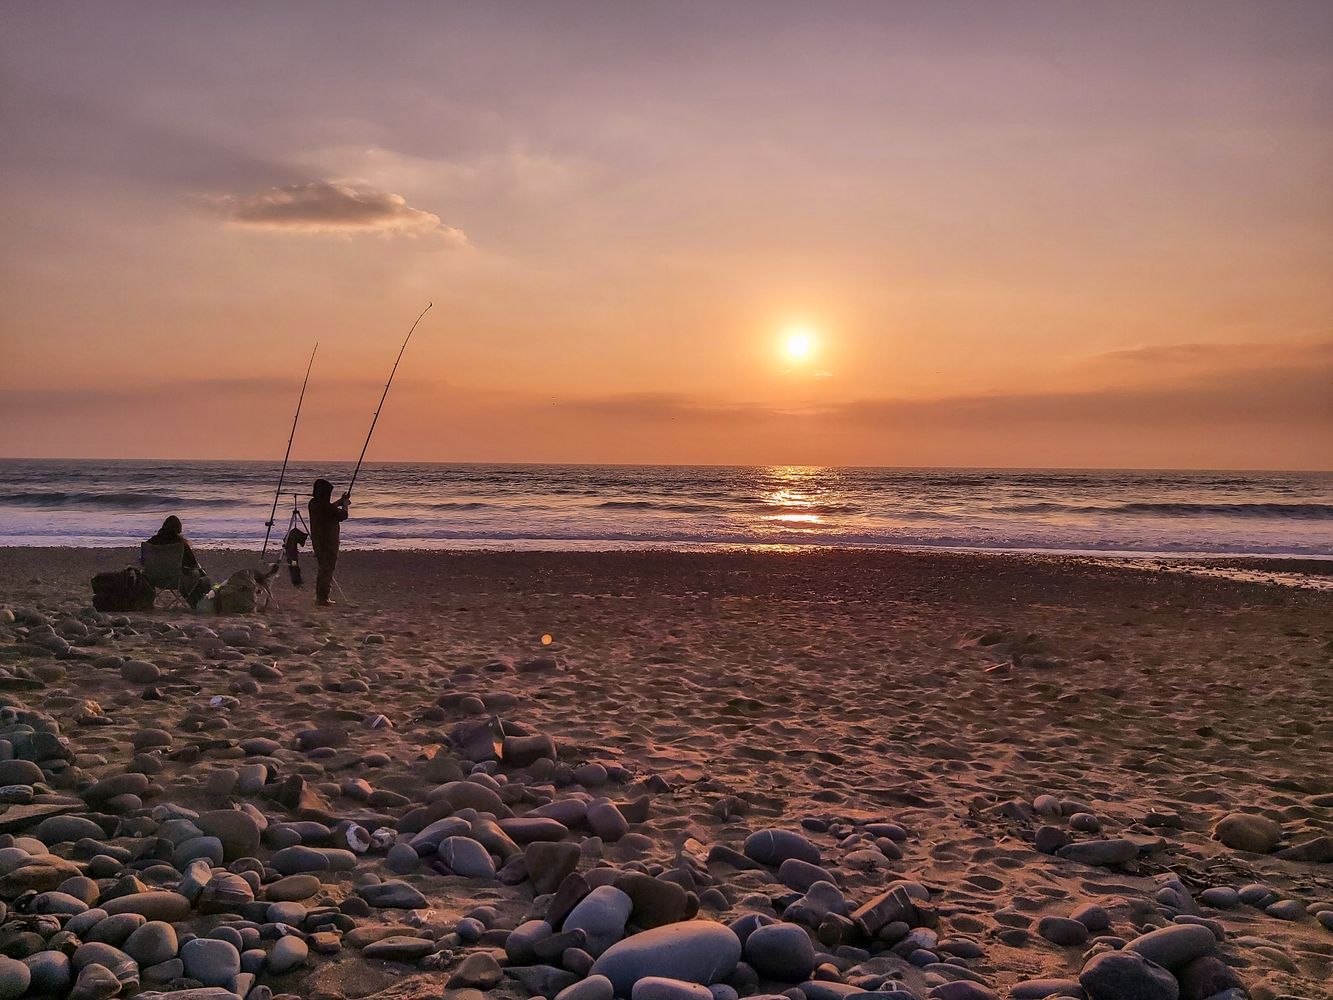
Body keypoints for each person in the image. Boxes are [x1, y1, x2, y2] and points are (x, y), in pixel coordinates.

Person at [143, 515, 210, 605]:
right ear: (178, 529)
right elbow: (192, 564)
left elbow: (143, 562)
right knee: (201, 578)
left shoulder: (150, 543)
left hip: (153, 579)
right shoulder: (180, 544)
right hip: (175, 580)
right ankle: (196, 603)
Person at [308, 479, 350, 605]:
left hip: (318, 540)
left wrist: (341, 501)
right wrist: (346, 504)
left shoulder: (314, 503)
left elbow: (330, 508)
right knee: (327, 568)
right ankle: (322, 598)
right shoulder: (323, 506)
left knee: (324, 568)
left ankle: (321, 597)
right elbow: (342, 515)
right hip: (328, 540)